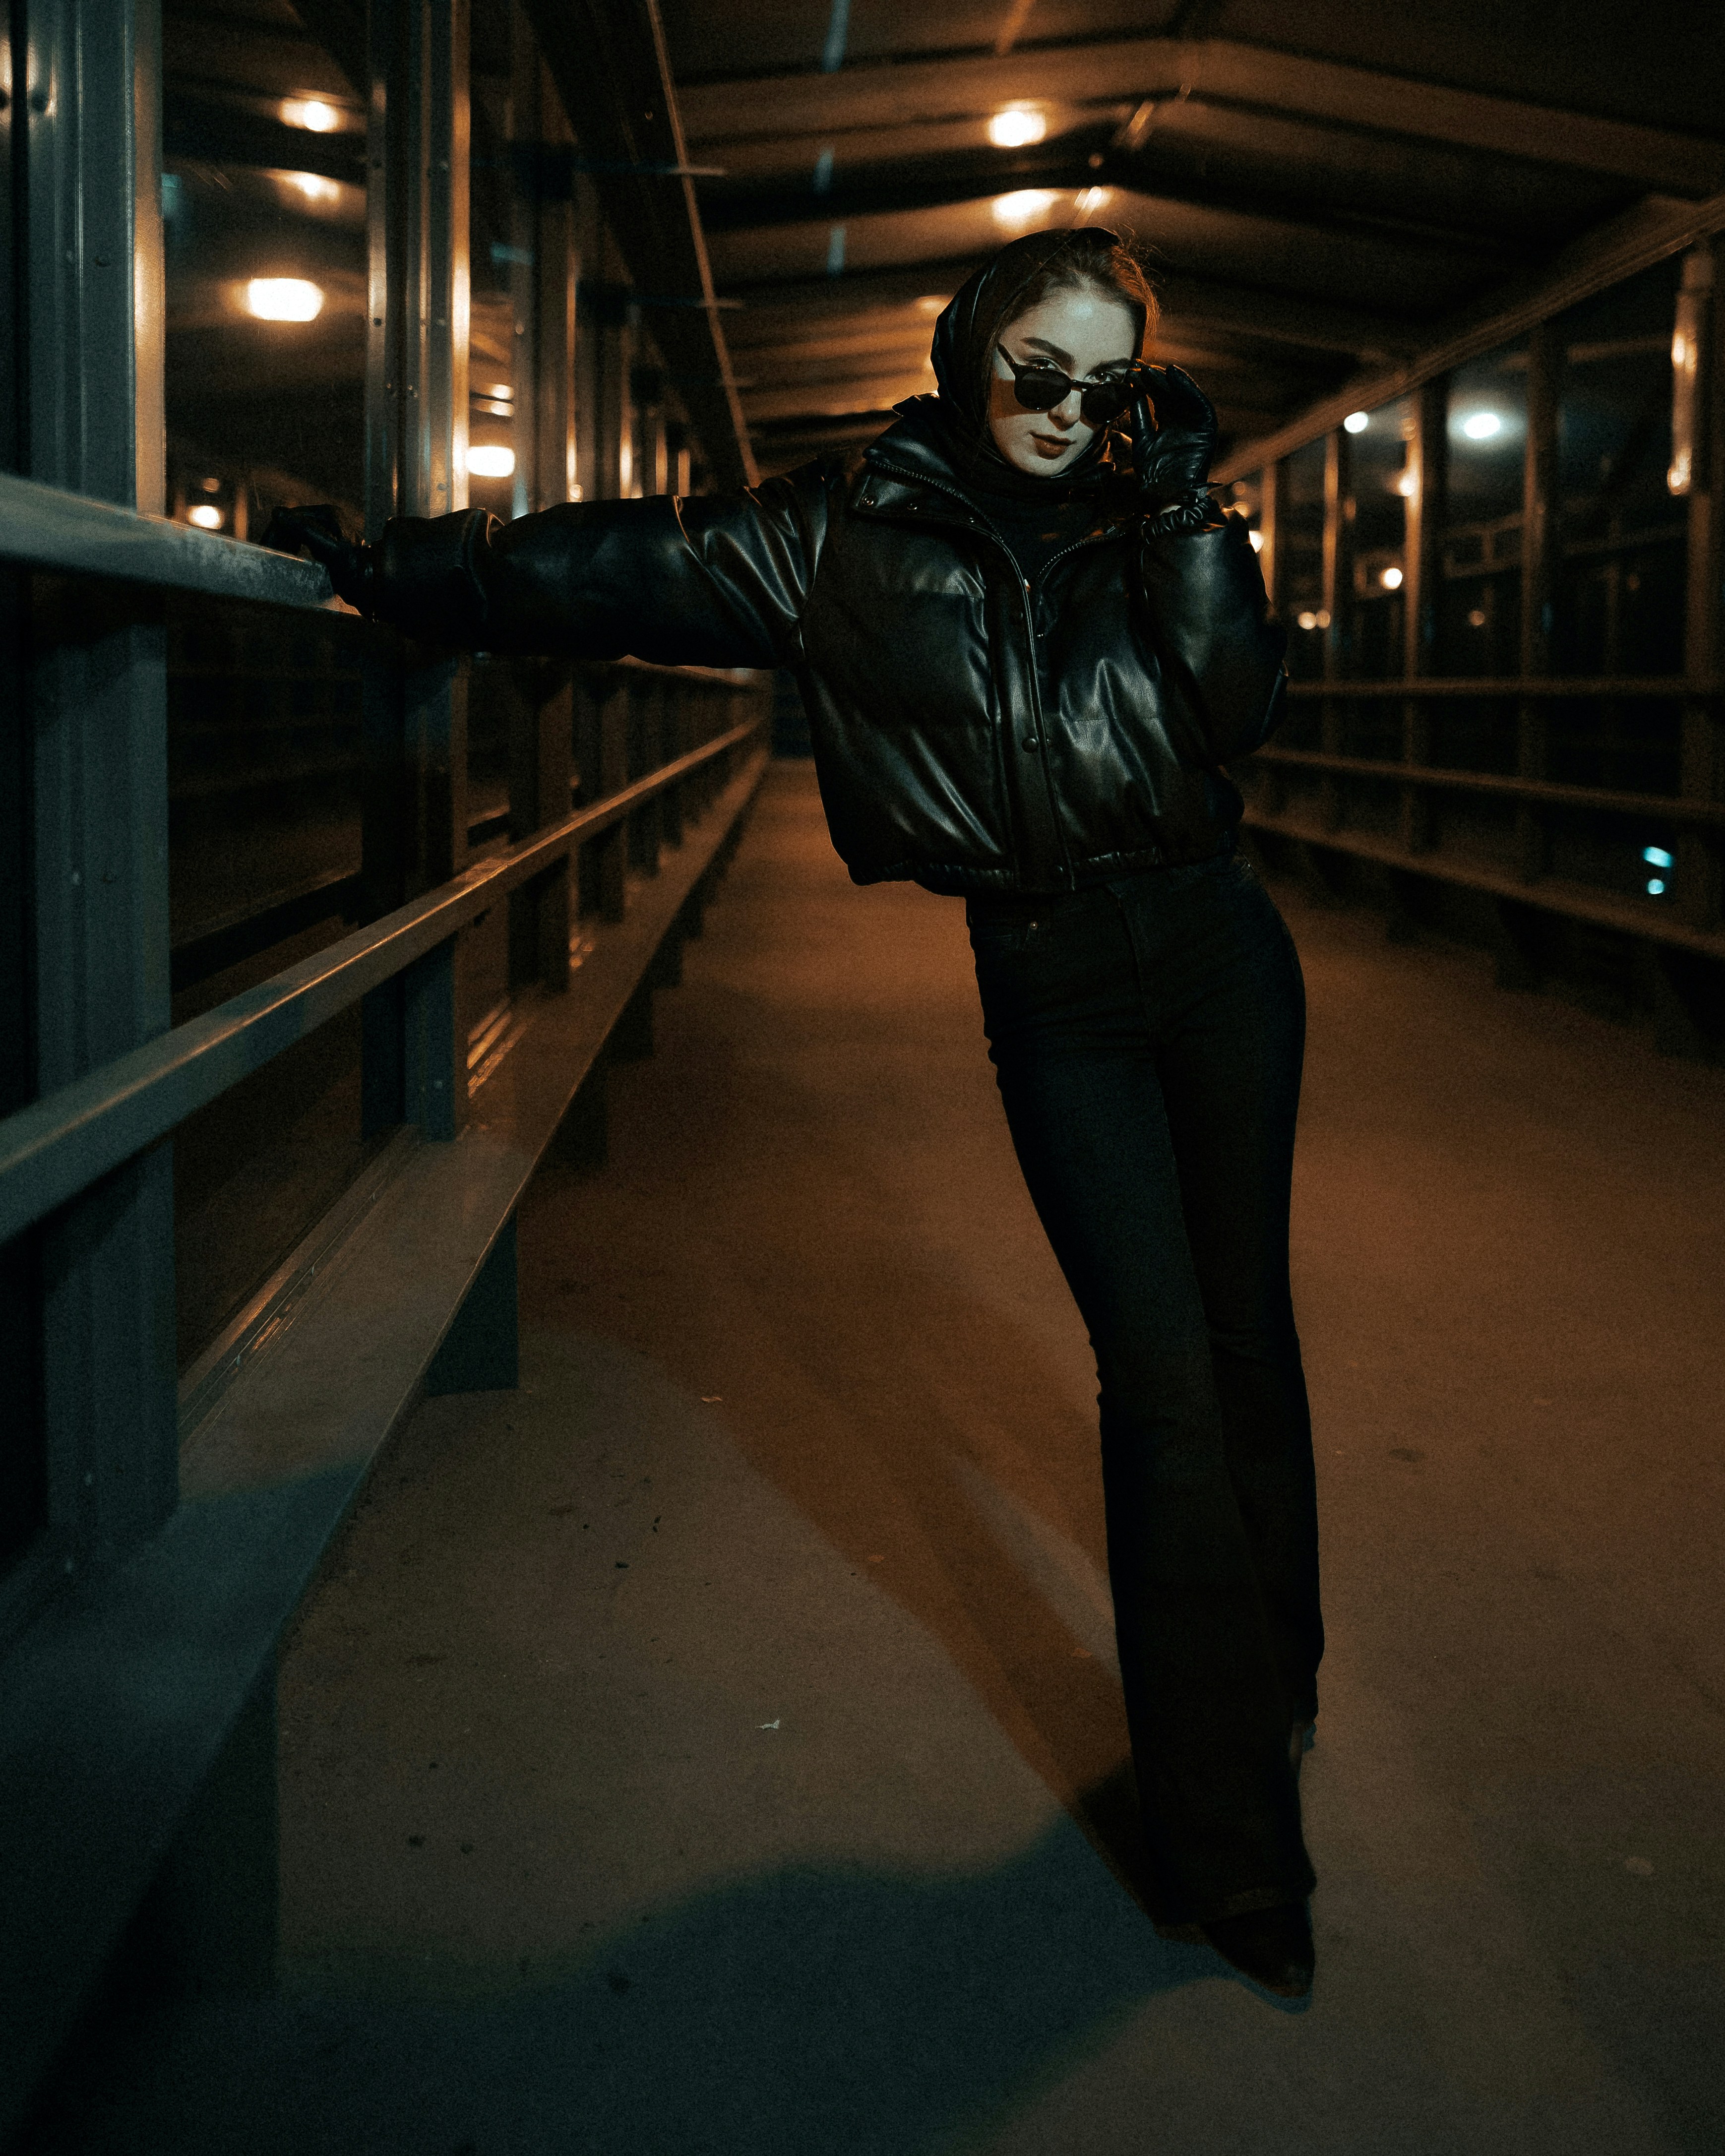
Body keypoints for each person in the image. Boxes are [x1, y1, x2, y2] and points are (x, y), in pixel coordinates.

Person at [269, 226, 1323, 2001]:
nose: (1066, 415)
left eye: (1106, 384)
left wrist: (1196, 512)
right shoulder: (844, 531)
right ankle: (1233, 1847)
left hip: (1219, 952)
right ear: (968, 355)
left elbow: (1234, 707)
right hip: (1053, 979)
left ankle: (1266, 1681)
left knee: (1248, 1338)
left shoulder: (1159, 524)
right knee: (1158, 1378)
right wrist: (398, 572)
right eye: (1036, 374)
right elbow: (622, 567)